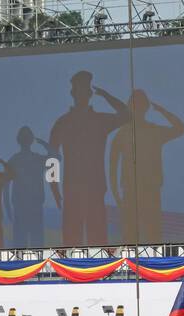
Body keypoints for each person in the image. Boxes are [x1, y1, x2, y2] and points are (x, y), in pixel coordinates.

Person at [49, 71, 131, 245]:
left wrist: (107, 96)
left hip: (95, 188)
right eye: (78, 90)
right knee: (71, 242)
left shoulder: (99, 120)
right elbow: (52, 158)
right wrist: (53, 186)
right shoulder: (63, 123)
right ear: (73, 94)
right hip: (72, 189)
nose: (81, 94)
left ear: (89, 94)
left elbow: (127, 115)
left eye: (84, 90)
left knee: (98, 240)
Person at [108, 89, 184, 244]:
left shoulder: (153, 131)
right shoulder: (123, 134)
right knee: (131, 237)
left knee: (153, 236)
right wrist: (117, 196)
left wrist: (162, 111)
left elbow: (180, 129)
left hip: (150, 192)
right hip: (131, 192)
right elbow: (113, 167)